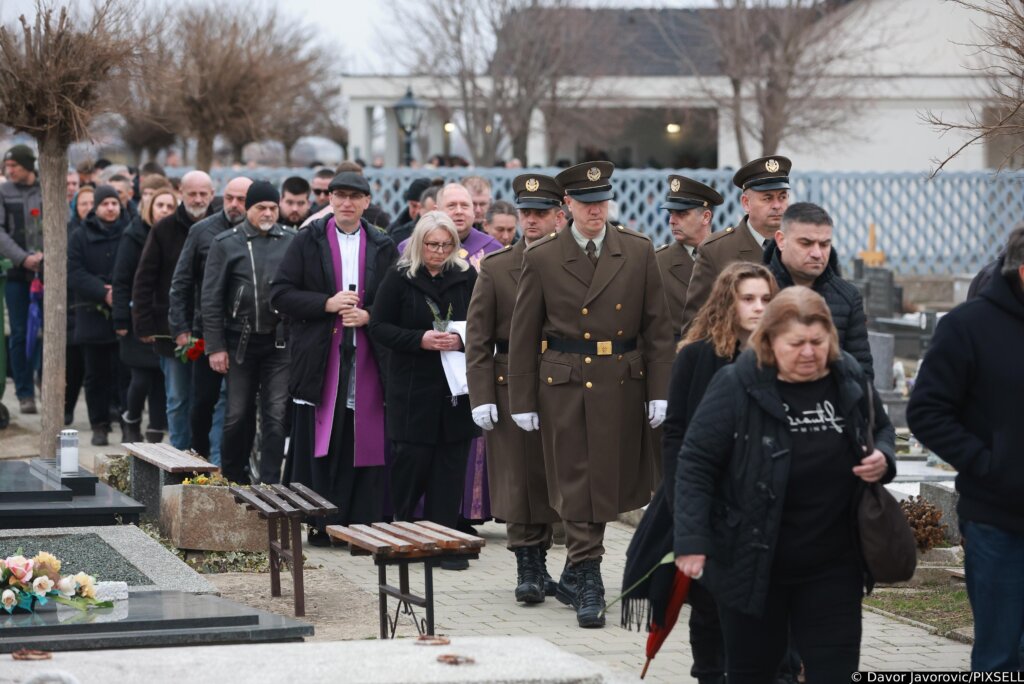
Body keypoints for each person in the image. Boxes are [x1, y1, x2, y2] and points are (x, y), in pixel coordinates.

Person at [674, 286, 896, 684]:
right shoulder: (736, 384)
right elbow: (696, 462)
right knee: (753, 673)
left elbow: (881, 429)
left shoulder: (847, 376)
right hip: (753, 562)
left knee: (835, 673)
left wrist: (883, 456)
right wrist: (691, 539)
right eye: (796, 343)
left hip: (833, 564)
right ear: (770, 340)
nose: (809, 353)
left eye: (818, 341)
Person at [508, 161, 674, 628]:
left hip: (622, 378)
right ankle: (589, 575)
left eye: (602, 201)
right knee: (577, 478)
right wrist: (522, 398)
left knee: (607, 480)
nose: (595, 210)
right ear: (568, 206)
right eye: (585, 202)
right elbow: (523, 334)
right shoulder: (543, 257)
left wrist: (660, 388)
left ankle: (578, 569)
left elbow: (658, 327)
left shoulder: (638, 251)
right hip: (565, 382)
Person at [624, 261, 777, 684]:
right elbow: (675, 433)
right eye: (748, 299)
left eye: (766, 299)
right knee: (708, 602)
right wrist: (681, 496)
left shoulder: (781, 355)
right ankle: (709, 674)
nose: (758, 308)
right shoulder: (697, 355)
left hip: (761, 500)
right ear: (727, 302)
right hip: (706, 496)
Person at [907, 226, 1024, 672]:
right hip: (998, 522)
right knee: (1000, 658)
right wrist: (986, 463)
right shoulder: (968, 327)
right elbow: (927, 412)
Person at [272, 171, 398, 545]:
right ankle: (319, 522)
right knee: (323, 437)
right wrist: (326, 304)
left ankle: (361, 523)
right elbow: (280, 294)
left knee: (362, 437)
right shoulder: (307, 240)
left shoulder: (382, 244)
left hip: (367, 357)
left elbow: (395, 299)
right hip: (320, 356)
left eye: (354, 197)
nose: (346, 203)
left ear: (366, 203)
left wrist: (370, 316)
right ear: (329, 199)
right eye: (339, 195)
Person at [467, 174, 564, 603]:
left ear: (560, 215)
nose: (532, 221)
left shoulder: (571, 264)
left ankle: (575, 566)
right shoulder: (498, 266)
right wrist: (482, 394)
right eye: (526, 213)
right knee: (520, 479)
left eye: (541, 213)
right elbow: (478, 336)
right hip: (509, 381)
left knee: (560, 475)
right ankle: (529, 564)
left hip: (563, 377)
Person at [369, 211, 478, 569]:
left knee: (449, 468)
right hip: (413, 387)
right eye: (432, 244)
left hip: (454, 388)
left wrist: (459, 339)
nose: (439, 251)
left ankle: (444, 542)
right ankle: (403, 538)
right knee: (410, 466)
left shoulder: (465, 276)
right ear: (419, 243)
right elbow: (380, 326)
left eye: (447, 245)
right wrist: (420, 339)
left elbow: (482, 324)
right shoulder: (400, 277)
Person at [202, 181, 295, 484]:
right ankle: (232, 477)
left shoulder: (291, 241)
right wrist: (215, 346)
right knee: (236, 414)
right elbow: (211, 296)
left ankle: (269, 483)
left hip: (279, 341)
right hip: (238, 340)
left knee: (276, 414)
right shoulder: (226, 242)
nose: (268, 213)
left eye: (272, 207)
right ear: (248, 209)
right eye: (261, 208)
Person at [168, 176, 252, 464]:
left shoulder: (260, 235)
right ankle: (198, 458)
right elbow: (181, 282)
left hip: (246, 334)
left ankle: (231, 464)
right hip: (207, 331)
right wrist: (180, 328)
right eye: (229, 198)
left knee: (239, 406)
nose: (234, 205)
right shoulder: (202, 231)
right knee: (202, 401)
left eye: (241, 199)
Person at [133, 170, 216, 450]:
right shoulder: (164, 229)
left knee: (207, 397)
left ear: (212, 195)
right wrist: (144, 324)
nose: (198, 199)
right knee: (178, 397)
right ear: (181, 193)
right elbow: (145, 278)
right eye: (192, 193)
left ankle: (206, 454)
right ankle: (180, 454)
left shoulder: (221, 226)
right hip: (171, 326)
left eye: (203, 194)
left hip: (211, 326)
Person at [764, 202, 873, 378]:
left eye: (824, 244)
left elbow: (861, 371)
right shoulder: (758, 292)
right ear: (781, 240)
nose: (817, 253)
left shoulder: (848, 296)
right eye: (806, 243)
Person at [682, 156, 792, 329]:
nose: (777, 205)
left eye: (782, 197)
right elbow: (696, 324)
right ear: (746, 203)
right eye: (768, 198)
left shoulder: (799, 246)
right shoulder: (716, 251)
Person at [68, 185, 131, 446]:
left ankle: (129, 422)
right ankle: (99, 424)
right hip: (90, 314)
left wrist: (118, 290)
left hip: (123, 314)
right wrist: (101, 291)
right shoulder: (80, 235)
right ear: (96, 207)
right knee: (95, 375)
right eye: (105, 203)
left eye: (114, 203)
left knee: (124, 373)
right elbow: (74, 271)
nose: (110, 208)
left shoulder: (130, 232)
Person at [112, 187, 176, 444]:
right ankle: (132, 419)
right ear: (150, 208)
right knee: (140, 377)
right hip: (138, 315)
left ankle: (156, 429)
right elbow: (122, 279)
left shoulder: (175, 235)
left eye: (170, 206)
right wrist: (120, 319)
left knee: (161, 378)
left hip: (166, 319)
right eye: (160, 205)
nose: (165, 211)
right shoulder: (133, 236)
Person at [0, 144, 43, 415]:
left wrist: (44, 256)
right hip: (16, 273)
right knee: (18, 332)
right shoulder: (4, 192)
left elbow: (62, 224)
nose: (9, 170)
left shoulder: (46, 189)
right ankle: (24, 392)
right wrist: (22, 257)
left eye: (13, 165)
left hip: (46, 272)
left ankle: (45, 384)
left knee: (45, 333)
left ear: (27, 165)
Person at [655, 175, 723, 340]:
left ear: (706, 217)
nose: (672, 221)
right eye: (671, 213)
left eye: (682, 214)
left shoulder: (729, 254)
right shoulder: (657, 262)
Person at [387, 177, 431, 246]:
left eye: (422, 207)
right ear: (408, 204)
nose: (418, 212)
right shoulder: (395, 232)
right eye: (414, 206)